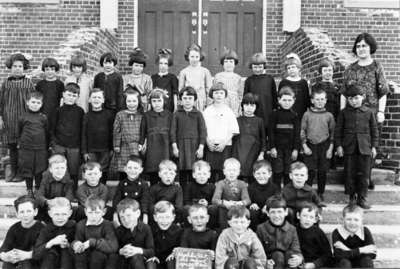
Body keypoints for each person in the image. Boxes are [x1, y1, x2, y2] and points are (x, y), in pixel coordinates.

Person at [341, 32, 389, 190]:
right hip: (352, 114)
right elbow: (344, 92)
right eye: (358, 46)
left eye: (364, 46)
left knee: (368, 149)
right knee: (353, 147)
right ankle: (351, 179)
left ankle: (366, 178)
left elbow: (383, 92)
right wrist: (343, 112)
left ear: (371, 48)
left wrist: (381, 112)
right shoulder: (350, 69)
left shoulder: (377, 66)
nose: (361, 49)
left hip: (371, 114)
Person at [335, 85, 379, 209]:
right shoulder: (344, 113)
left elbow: (374, 131)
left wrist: (374, 147)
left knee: (364, 175)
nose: (354, 101)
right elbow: (338, 131)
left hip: (365, 148)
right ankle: (352, 198)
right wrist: (339, 146)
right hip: (349, 147)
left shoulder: (369, 112)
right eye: (350, 99)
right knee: (349, 173)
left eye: (356, 98)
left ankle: (362, 198)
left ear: (362, 97)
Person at [0, 53, 35, 182]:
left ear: (24, 67)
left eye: (20, 66)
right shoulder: (6, 83)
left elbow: (33, 101)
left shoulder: (28, 83)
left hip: (24, 120)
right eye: (15, 66)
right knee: (12, 147)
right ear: (10, 67)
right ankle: (13, 170)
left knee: (23, 148)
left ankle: (21, 173)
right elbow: (1, 101)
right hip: (9, 120)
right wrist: (1, 117)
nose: (17, 68)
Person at [300, 89, 335, 200]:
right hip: (310, 145)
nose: (320, 101)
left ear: (325, 101)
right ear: (312, 100)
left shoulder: (329, 116)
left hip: (324, 146)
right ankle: (308, 192)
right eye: (317, 99)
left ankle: (320, 193)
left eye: (322, 99)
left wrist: (330, 148)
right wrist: (304, 145)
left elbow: (333, 133)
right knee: (309, 170)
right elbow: (302, 131)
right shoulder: (307, 114)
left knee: (322, 170)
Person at [203, 82, 239, 182]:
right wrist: (208, 142)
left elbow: (233, 130)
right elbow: (203, 129)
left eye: (221, 93)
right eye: (216, 93)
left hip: (225, 146)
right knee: (210, 172)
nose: (219, 95)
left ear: (225, 95)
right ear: (212, 95)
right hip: (210, 146)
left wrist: (224, 143)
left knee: (223, 172)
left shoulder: (228, 111)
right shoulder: (207, 111)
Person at [50, 82, 85, 188]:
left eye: (74, 96)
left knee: (73, 170)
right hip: (59, 145)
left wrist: (81, 146)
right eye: (69, 94)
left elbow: (82, 130)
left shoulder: (80, 111)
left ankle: (73, 191)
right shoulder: (57, 111)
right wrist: (53, 143)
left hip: (74, 146)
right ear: (63, 94)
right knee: (59, 169)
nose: (71, 98)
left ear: (78, 97)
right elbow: (52, 128)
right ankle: (59, 190)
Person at [171, 86, 207, 185]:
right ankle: (183, 196)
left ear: (195, 100)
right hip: (181, 145)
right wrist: (174, 147)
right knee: (182, 170)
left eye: (190, 98)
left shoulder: (198, 114)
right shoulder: (177, 114)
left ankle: (193, 195)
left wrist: (201, 147)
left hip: (194, 145)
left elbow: (203, 131)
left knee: (194, 170)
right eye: (185, 98)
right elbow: (173, 131)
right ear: (181, 100)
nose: (187, 101)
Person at [256, 195, 303, 269]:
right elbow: (258, 252)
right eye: (273, 212)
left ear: (286, 212)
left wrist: (298, 258)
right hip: (271, 263)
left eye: (279, 212)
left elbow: (296, 249)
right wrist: (265, 262)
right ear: (267, 213)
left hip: (287, 261)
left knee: (291, 255)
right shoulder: (261, 229)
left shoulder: (292, 229)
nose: (276, 215)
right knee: (278, 255)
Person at [72, 195, 119, 269]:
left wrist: (91, 242)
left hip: (102, 258)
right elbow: (77, 239)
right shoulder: (81, 225)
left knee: (97, 255)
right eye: (90, 212)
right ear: (85, 212)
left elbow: (113, 247)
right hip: (86, 256)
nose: (93, 216)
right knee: (79, 255)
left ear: (104, 212)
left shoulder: (108, 225)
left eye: (97, 213)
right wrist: (76, 244)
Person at [0, 196, 45, 269]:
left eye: (29, 211)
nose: (25, 215)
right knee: (7, 263)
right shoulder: (14, 228)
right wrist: (5, 256)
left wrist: (26, 255)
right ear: (17, 214)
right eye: (22, 212)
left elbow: (43, 251)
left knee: (26, 263)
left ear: (35, 212)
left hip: (34, 261)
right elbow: (5, 247)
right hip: (17, 260)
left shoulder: (42, 229)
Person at [269, 86, 300, 189]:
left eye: (289, 100)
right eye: (284, 100)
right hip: (277, 149)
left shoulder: (295, 115)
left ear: (294, 101)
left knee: (288, 172)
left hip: (290, 149)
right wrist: (272, 147)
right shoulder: (274, 114)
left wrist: (296, 149)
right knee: (277, 171)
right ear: (279, 100)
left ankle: (287, 194)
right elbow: (271, 132)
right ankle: (277, 194)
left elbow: (297, 134)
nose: (287, 102)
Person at [18, 91, 48, 196]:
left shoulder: (43, 118)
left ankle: (38, 188)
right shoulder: (23, 117)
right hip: (26, 148)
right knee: (28, 169)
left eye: (38, 103)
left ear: (41, 104)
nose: (35, 105)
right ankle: (29, 189)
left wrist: (46, 146)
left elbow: (46, 132)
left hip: (40, 148)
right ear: (27, 102)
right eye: (33, 102)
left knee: (39, 169)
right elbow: (19, 131)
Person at [139, 89, 172, 185]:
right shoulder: (147, 115)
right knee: (153, 170)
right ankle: (153, 191)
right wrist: (141, 143)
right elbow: (142, 131)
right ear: (150, 102)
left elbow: (173, 131)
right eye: (154, 101)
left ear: (164, 101)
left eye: (159, 101)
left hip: (165, 145)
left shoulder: (169, 115)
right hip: (152, 145)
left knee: (165, 168)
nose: (156, 104)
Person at [81, 88, 114, 183]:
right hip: (91, 150)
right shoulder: (86, 116)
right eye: (94, 97)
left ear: (103, 100)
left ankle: (102, 195)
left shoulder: (109, 115)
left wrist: (111, 149)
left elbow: (112, 132)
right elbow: (83, 134)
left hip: (105, 150)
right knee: (91, 171)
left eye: (99, 97)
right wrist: (84, 151)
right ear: (89, 100)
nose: (96, 99)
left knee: (103, 172)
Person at [33, 197, 76, 269]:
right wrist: (52, 242)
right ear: (50, 213)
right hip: (50, 263)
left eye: (64, 214)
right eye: (56, 214)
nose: (60, 217)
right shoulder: (46, 230)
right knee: (50, 253)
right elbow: (36, 254)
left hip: (69, 262)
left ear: (70, 213)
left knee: (65, 251)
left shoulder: (74, 226)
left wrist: (68, 245)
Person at [232, 93, 266, 182]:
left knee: (252, 174)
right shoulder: (237, 120)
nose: (249, 108)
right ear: (242, 106)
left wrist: (262, 153)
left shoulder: (259, 121)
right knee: (239, 174)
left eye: (252, 105)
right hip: (239, 151)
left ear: (256, 107)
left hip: (254, 151)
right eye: (246, 105)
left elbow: (263, 138)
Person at [112, 86, 144, 180]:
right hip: (124, 146)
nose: (131, 104)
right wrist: (116, 145)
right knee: (124, 168)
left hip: (136, 146)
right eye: (129, 101)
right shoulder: (120, 114)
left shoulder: (141, 115)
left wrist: (142, 143)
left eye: (134, 101)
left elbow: (144, 131)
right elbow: (116, 131)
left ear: (138, 102)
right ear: (125, 102)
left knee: (135, 167)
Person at [35, 154, 76, 222]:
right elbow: (39, 195)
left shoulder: (69, 181)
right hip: (48, 206)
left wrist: (59, 203)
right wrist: (47, 201)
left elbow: (70, 196)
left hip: (62, 207)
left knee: (72, 209)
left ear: (66, 168)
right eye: (57, 168)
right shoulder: (45, 179)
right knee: (36, 204)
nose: (60, 171)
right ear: (51, 169)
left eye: (62, 168)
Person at [212, 158, 251, 229]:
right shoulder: (221, 183)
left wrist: (240, 203)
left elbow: (247, 200)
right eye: (229, 170)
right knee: (221, 210)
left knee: (244, 210)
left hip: (238, 208)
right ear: (224, 171)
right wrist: (225, 203)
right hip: (225, 208)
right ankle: (223, 230)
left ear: (239, 172)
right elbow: (215, 200)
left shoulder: (242, 184)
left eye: (234, 170)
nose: (232, 173)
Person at [116, 198, 155, 269]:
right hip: (124, 262)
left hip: (139, 262)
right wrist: (121, 251)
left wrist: (138, 250)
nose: (126, 220)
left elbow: (151, 251)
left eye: (128, 215)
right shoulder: (119, 230)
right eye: (122, 217)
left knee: (136, 257)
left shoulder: (146, 228)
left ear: (138, 213)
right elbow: (114, 249)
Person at [244, 52, 277, 133]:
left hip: (267, 110)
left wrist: (275, 108)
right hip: (254, 111)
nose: (257, 69)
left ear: (264, 66)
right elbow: (245, 96)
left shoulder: (270, 79)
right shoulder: (249, 80)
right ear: (251, 66)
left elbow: (274, 95)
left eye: (260, 67)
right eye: (255, 67)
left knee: (267, 130)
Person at [113, 155, 150, 225]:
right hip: (124, 212)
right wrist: (115, 214)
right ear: (125, 169)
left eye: (135, 168)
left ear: (141, 170)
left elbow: (144, 200)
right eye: (129, 168)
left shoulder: (144, 184)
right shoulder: (122, 184)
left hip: (138, 212)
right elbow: (116, 199)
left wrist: (145, 215)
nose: (132, 170)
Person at [296, 202, 332, 269]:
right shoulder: (294, 231)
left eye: (311, 217)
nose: (307, 219)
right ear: (298, 215)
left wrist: (314, 264)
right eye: (304, 216)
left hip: (315, 264)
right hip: (298, 262)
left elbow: (328, 254)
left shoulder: (318, 233)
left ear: (315, 220)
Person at [148, 201, 183, 269]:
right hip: (156, 260)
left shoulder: (179, 231)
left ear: (173, 217)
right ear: (155, 217)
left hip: (170, 260)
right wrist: (152, 255)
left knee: (172, 261)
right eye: (161, 217)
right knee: (150, 263)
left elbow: (180, 247)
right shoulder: (150, 230)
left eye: (167, 217)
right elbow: (148, 246)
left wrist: (174, 254)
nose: (164, 221)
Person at [178, 43, 213, 111]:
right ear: (188, 57)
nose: (194, 59)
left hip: (201, 101)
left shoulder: (205, 71)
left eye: (197, 57)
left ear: (200, 57)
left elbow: (209, 89)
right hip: (188, 100)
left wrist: (209, 103)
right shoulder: (183, 72)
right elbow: (180, 89)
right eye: (192, 56)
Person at [183, 160, 217, 228]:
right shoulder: (189, 186)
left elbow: (214, 201)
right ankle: (188, 228)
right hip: (193, 208)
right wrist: (197, 203)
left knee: (213, 208)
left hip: (207, 208)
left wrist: (208, 203)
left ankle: (210, 228)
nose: (202, 176)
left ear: (209, 175)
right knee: (186, 208)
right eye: (199, 174)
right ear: (194, 175)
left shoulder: (212, 187)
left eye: (204, 174)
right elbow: (186, 201)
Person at [248, 160, 279, 231]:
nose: (261, 176)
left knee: (272, 211)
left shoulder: (274, 187)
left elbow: (277, 200)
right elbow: (248, 200)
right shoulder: (251, 187)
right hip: (256, 213)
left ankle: (270, 232)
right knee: (252, 212)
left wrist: (268, 206)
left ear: (270, 174)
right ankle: (255, 233)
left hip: (268, 211)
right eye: (258, 173)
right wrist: (252, 204)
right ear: (254, 174)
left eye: (264, 173)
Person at [278, 53, 311, 120]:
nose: (291, 69)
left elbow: (306, 99)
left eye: (293, 67)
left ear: (298, 68)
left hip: (301, 112)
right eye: (288, 68)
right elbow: (280, 98)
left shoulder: (303, 83)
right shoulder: (283, 82)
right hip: (287, 112)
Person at [35, 57, 64, 130]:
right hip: (42, 113)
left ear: (56, 70)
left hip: (55, 114)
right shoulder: (40, 84)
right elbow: (37, 99)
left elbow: (62, 100)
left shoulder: (60, 84)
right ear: (44, 70)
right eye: (47, 69)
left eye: (52, 69)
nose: (49, 72)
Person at [214, 47, 244, 116]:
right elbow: (214, 91)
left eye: (231, 61)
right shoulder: (218, 76)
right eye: (226, 61)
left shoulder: (238, 78)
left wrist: (239, 107)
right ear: (222, 63)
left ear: (235, 63)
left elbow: (240, 94)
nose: (228, 64)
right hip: (221, 102)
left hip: (234, 104)